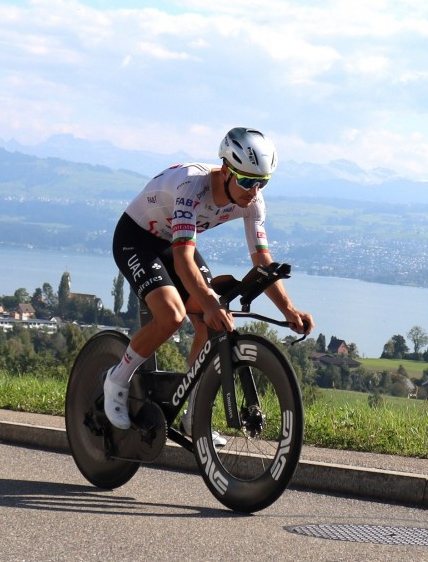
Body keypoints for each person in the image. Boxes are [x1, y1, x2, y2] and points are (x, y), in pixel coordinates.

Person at [105, 127, 314, 442]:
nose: (253, 191)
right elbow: (183, 259)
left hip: (173, 243)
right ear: (226, 171)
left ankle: (193, 417)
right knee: (173, 315)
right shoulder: (192, 186)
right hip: (136, 239)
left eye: (262, 183)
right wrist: (210, 302)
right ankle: (116, 380)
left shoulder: (253, 203)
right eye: (246, 181)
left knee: (208, 324)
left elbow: (262, 261)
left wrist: (289, 309)